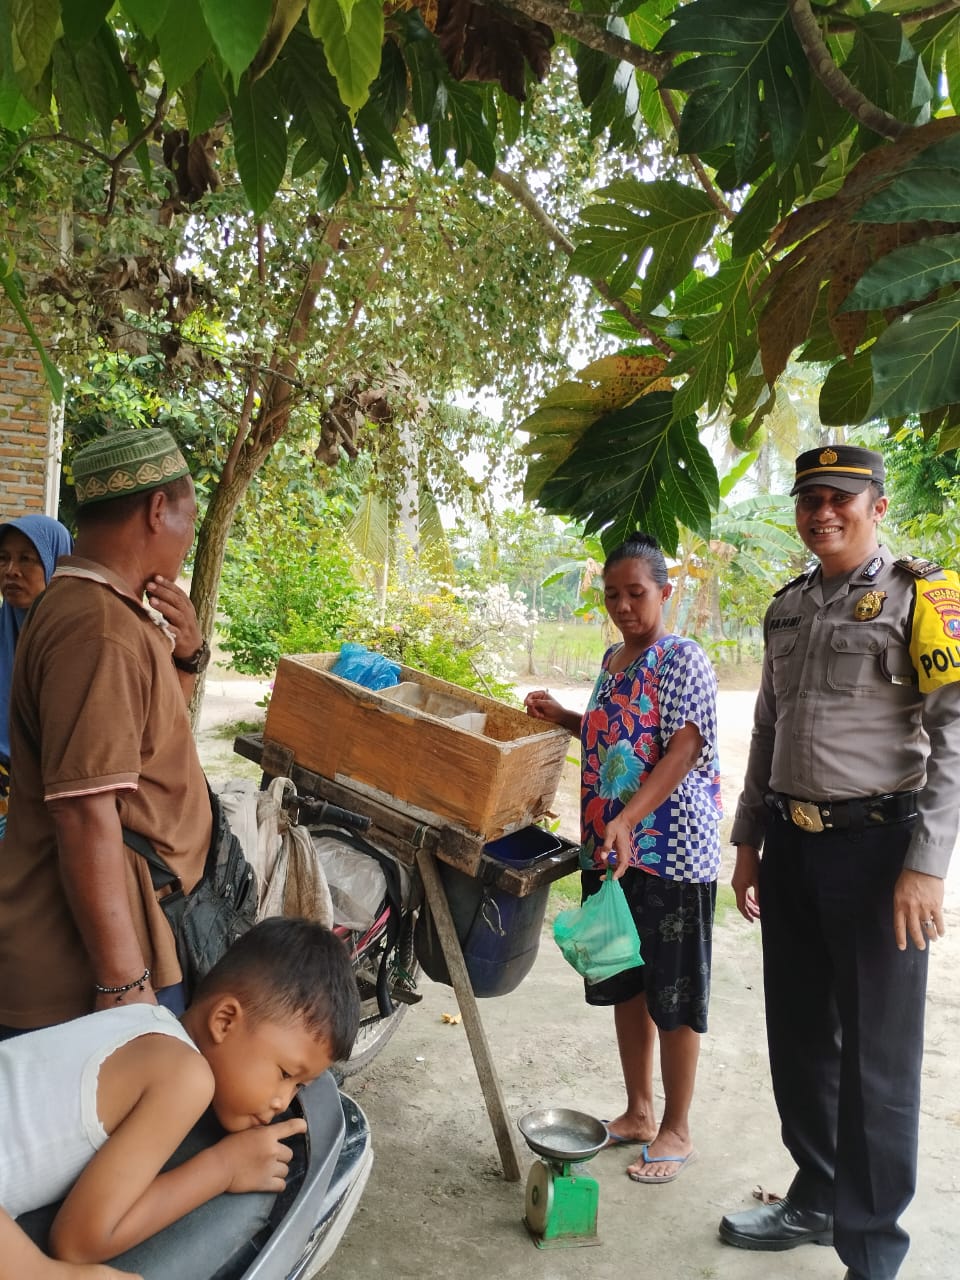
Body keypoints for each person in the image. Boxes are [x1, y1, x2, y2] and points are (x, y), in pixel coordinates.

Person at [719, 445, 960, 1280]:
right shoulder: (787, 610)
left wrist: (926, 863)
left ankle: (873, 1252)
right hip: (790, 846)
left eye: (841, 498)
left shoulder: (923, 597)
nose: (823, 511)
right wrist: (748, 840)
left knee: (878, 1063)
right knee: (799, 1040)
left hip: (879, 857)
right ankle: (816, 1197)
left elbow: (955, 735)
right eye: (809, 498)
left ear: (878, 505)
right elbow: (766, 731)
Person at [0, 428, 216, 1032]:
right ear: (156, 510)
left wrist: (188, 656)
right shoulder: (98, 629)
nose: (188, 538)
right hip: (85, 975)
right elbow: (84, 812)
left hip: (139, 935)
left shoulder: (106, 612)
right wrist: (123, 983)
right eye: (189, 518)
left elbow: (150, 746)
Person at [525, 531, 721, 1184]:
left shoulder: (681, 659)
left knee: (674, 992)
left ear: (666, 592)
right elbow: (619, 739)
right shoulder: (613, 660)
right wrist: (565, 717)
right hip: (611, 854)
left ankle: (677, 1128)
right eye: (613, 595)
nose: (624, 606)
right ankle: (638, 1112)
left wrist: (630, 819)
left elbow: (680, 750)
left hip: (670, 856)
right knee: (627, 983)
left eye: (637, 593)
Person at [1, 916, 360, 1270]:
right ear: (224, 1021)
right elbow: (80, 1241)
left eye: (298, 1087)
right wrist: (225, 1167)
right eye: (284, 1074)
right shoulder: (187, 1077)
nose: (282, 1101)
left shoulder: (142, 1016)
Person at [0, 514, 74, 838]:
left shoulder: (74, 647)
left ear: (55, 564)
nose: (11, 570)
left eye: (27, 559)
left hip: (52, 808)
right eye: (3, 558)